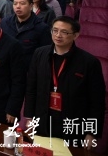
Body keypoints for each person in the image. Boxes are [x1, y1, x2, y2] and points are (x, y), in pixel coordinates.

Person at [25, 16, 106, 149]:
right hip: (43, 121)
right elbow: (31, 88)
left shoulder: (89, 62)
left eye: (64, 32)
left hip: (72, 126)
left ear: (75, 35)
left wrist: (92, 133)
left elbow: (97, 101)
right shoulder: (40, 54)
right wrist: (29, 117)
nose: (58, 35)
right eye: (55, 30)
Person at [0, 0, 51, 68]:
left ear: (31, 6)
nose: (18, 6)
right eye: (15, 3)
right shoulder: (5, 22)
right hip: (7, 66)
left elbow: (44, 54)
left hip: (28, 68)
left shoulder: (41, 27)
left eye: (22, 3)